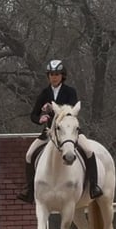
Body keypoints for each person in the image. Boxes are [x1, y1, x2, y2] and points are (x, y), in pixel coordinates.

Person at [17, 59, 104, 203]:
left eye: (57, 74)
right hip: (49, 133)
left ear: (62, 75)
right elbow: (33, 114)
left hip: (69, 132)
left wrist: (53, 110)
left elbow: (70, 111)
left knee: (89, 151)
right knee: (29, 154)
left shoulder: (70, 92)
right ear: (48, 76)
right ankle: (30, 189)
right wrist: (40, 118)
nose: (54, 77)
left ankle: (94, 186)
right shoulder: (44, 93)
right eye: (51, 74)